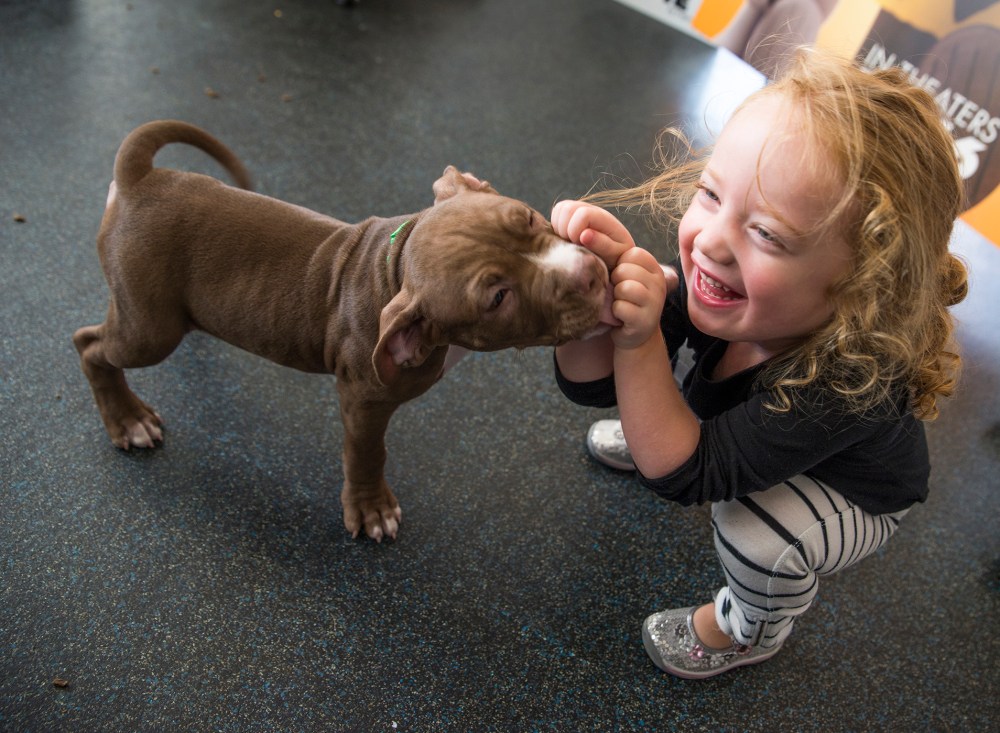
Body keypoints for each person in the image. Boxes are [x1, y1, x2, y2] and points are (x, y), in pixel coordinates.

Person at [551, 47, 968, 679]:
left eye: (768, 234)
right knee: (662, 404)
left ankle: (749, 629)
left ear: (863, 283)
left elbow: (690, 475)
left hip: (850, 496)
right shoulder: (732, 278)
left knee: (758, 534)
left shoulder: (850, 384)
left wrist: (639, 346)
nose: (713, 240)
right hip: (725, 441)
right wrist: (591, 299)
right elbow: (593, 385)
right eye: (711, 194)